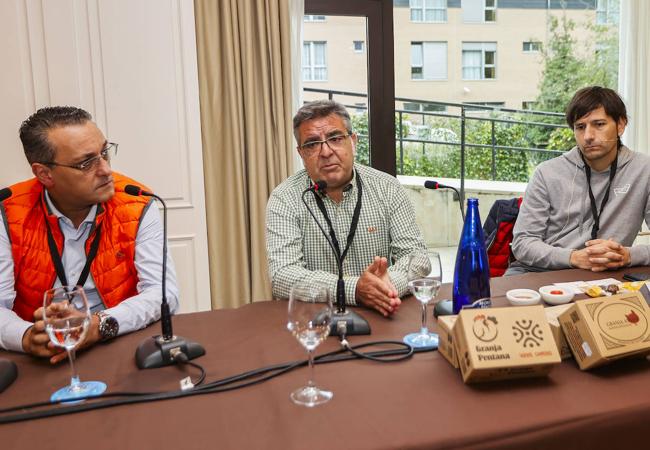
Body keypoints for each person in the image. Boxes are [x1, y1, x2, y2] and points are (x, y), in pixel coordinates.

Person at [0, 106, 179, 363]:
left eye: (104, 152)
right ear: (44, 174)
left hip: (118, 345)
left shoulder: (136, 202)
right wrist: (27, 336)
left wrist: (96, 326)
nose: (106, 170)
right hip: (42, 357)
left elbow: (163, 294)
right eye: (86, 163)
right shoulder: (7, 212)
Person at [266, 100, 426, 317]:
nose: (325, 151)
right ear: (301, 153)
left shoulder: (387, 188)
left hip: (383, 312)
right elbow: (283, 275)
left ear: (353, 141)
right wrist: (353, 290)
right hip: (315, 322)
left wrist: (385, 286)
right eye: (312, 144)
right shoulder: (284, 198)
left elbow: (417, 257)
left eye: (335, 138)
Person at [508, 86, 650, 274]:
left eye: (599, 124)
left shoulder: (643, 170)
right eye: (580, 127)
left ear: (621, 125)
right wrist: (574, 257)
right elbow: (523, 243)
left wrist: (628, 255)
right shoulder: (547, 173)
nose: (588, 136)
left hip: (607, 274)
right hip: (538, 271)